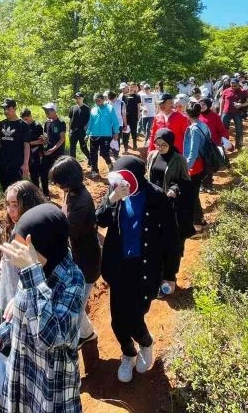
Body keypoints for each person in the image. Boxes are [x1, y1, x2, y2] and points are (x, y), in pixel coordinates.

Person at [0, 204, 85, 412]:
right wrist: (0, 335)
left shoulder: (72, 280)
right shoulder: (31, 269)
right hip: (23, 372)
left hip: (50, 385)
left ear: (46, 245)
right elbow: (23, 313)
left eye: (24, 248)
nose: (18, 257)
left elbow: (49, 338)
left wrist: (32, 274)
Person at [96, 156, 170, 383]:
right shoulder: (116, 192)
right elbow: (100, 219)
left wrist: (169, 274)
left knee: (135, 315)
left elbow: (171, 237)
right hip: (119, 266)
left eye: (125, 180)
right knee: (118, 320)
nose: (121, 184)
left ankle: (145, 341)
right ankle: (128, 353)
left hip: (145, 267)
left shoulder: (156, 196)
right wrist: (112, 198)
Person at [49, 156, 101, 348]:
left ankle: (77, 338)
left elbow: (67, 231)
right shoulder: (71, 193)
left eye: (59, 182)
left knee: (76, 306)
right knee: (77, 303)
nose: (58, 186)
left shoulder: (82, 202)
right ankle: (86, 334)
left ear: (69, 180)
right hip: (77, 258)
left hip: (86, 262)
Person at [147, 129, 193, 295]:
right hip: (154, 206)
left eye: (164, 145)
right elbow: (149, 178)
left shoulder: (179, 160)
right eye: (157, 144)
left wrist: (175, 189)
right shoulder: (152, 156)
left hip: (171, 208)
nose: (160, 147)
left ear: (171, 144)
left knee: (171, 245)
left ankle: (169, 278)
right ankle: (157, 278)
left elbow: (186, 183)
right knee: (154, 243)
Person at [0, 181, 46, 327]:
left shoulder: (34, 235)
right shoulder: (15, 226)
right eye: (8, 204)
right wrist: (1, 267)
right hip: (8, 297)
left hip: (23, 305)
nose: (10, 210)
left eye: (15, 205)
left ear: (29, 205)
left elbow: (40, 272)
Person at [183, 103, 211, 226]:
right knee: (194, 194)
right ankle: (200, 220)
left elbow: (193, 153)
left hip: (195, 165)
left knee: (192, 195)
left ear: (188, 115)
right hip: (204, 163)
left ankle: (197, 224)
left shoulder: (193, 129)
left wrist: (186, 168)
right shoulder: (204, 125)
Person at [0, 99, 30, 190]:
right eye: (4, 109)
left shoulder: (23, 125)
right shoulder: (1, 124)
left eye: (8, 109)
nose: (6, 111)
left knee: (16, 189)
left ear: (14, 108)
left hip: (16, 163)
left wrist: (25, 164)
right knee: (4, 187)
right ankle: (8, 204)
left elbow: (27, 145)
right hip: (2, 162)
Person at [86, 92, 120, 179]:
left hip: (106, 135)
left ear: (103, 99)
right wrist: (87, 133)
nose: (97, 102)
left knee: (104, 153)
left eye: (99, 100)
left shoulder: (110, 108)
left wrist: (116, 132)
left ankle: (109, 164)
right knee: (93, 153)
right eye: (96, 101)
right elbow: (90, 123)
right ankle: (94, 170)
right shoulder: (93, 110)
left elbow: (115, 122)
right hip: (94, 135)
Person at [198, 98, 229, 193]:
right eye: (200, 105)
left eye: (204, 105)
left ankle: (208, 185)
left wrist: (225, 139)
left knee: (209, 166)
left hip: (211, 146)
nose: (202, 106)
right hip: (199, 145)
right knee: (200, 166)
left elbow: (222, 129)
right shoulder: (196, 116)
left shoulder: (214, 117)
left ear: (208, 105)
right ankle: (201, 184)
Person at [41, 103, 66, 197]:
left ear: (54, 111)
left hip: (58, 153)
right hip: (47, 152)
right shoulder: (47, 123)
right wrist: (43, 141)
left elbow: (62, 138)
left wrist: (53, 149)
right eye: (45, 111)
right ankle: (46, 195)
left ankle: (66, 194)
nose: (46, 113)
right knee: (43, 174)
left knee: (60, 174)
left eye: (48, 111)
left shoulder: (61, 123)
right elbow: (46, 137)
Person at [220, 77, 248, 149]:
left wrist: (241, 105)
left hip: (237, 113)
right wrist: (220, 112)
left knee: (239, 129)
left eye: (235, 86)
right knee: (223, 130)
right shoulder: (226, 91)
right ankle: (224, 145)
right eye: (232, 85)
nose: (233, 87)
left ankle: (239, 145)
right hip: (226, 112)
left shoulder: (243, 92)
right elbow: (222, 101)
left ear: (238, 84)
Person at [21, 109, 45, 188]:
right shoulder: (23, 126)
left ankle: (40, 192)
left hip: (36, 153)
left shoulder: (37, 126)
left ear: (30, 116)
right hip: (26, 154)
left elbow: (41, 141)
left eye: (26, 119)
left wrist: (28, 143)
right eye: (23, 120)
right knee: (28, 174)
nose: (25, 121)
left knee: (37, 175)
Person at [68, 92, 91, 161]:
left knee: (83, 147)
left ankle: (90, 159)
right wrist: (69, 131)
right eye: (76, 98)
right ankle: (73, 164)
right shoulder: (73, 108)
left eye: (79, 98)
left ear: (83, 98)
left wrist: (87, 133)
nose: (77, 100)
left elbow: (89, 121)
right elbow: (70, 120)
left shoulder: (87, 108)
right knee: (72, 148)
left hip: (82, 131)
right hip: (73, 131)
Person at [108, 89, 127, 157]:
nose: (112, 100)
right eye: (110, 99)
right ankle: (111, 152)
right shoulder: (107, 103)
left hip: (119, 124)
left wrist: (125, 125)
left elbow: (124, 115)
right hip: (109, 125)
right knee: (109, 138)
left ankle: (116, 154)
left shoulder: (122, 103)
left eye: (113, 99)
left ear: (116, 96)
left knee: (117, 139)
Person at [123, 83, 141, 151]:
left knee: (133, 131)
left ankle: (134, 144)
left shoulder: (137, 96)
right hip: (126, 117)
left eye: (133, 87)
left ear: (135, 88)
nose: (131, 88)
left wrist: (138, 115)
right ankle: (126, 146)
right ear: (128, 87)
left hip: (134, 116)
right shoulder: (124, 96)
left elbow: (139, 106)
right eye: (130, 86)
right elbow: (123, 106)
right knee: (126, 131)